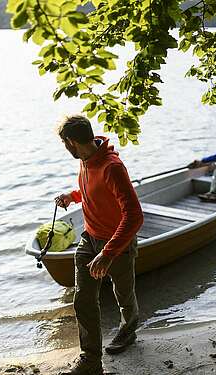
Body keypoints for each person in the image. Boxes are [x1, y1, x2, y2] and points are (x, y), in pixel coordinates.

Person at [54, 115, 144, 375]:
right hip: (88, 239)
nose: (65, 149)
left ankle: (128, 330)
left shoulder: (112, 167)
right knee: (83, 298)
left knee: (123, 295)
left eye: (64, 144)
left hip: (117, 244)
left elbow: (134, 216)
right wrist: (72, 196)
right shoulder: (85, 160)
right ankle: (91, 360)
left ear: (71, 142)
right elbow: (93, 190)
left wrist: (108, 253)